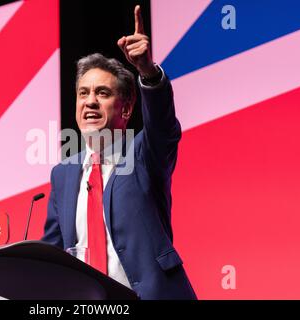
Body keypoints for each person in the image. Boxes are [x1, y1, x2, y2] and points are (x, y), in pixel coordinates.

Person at [42, 5, 196, 300]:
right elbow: (50, 255)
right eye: (83, 93)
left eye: (102, 93)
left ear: (125, 108)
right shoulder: (62, 174)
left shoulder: (143, 154)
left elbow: (163, 126)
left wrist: (148, 73)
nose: (90, 102)